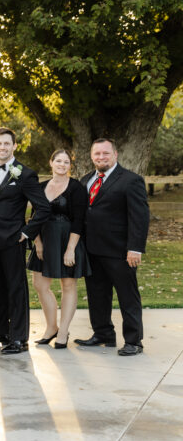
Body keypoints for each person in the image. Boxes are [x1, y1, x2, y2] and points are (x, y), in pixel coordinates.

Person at [75, 139, 150, 356]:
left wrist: (135, 248)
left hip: (120, 252)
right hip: (92, 250)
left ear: (115, 154)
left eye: (105, 153)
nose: (101, 157)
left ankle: (134, 341)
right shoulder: (86, 180)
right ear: (91, 156)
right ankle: (103, 333)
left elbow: (140, 217)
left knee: (128, 296)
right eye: (97, 154)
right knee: (97, 295)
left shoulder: (131, 180)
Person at [0, 127, 51, 355]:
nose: (2, 147)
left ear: (14, 146)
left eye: (6, 144)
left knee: (16, 288)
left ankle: (19, 338)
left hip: (13, 239)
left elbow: (43, 208)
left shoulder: (25, 174)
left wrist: (27, 232)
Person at [28, 149, 90, 349]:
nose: (62, 165)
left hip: (67, 240)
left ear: (69, 166)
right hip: (44, 239)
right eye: (58, 161)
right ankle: (51, 327)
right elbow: (33, 217)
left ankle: (63, 331)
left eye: (66, 162)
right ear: (51, 162)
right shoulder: (40, 187)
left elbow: (79, 221)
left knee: (68, 285)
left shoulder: (76, 188)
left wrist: (71, 249)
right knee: (39, 284)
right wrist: (37, 242)